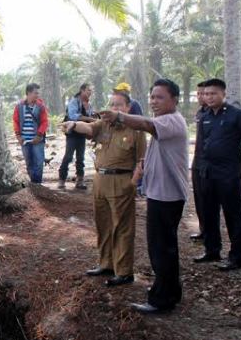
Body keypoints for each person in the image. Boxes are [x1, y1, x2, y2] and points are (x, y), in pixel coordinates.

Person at [100, 79, 188, 314]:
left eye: (160, 97)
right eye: (152, 97)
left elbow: (145, 124)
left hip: (167, 196)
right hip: (161, 194)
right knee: (165, 246)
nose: (154, 101)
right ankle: (171, 291)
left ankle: (162, 300)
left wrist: (118, 116)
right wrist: (140, 173)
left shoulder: (171, 121)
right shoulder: (164, 121)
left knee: (161, 248)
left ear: (174, 100)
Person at [61, 92, 146, 287]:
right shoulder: (104, 124)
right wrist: (73, 124)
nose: (114, 109)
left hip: (121, 179)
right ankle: (106, 263)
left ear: (128, 108)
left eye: (119, 105)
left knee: (123, 227)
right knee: (103, 223)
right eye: (112, 105)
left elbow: (142, 161)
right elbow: (88, 127)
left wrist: (132, 184)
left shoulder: (136, 129)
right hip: (100, 180)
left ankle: (124, 271)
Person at [193, 78, 241, 271]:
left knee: (233, 215)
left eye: (213, 93)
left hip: (229, 174)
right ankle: (212, 250)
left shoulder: (237, 115)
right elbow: (201, 145)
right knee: (208, 213)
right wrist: (199, 168)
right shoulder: (204, 115)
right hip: (207, 173)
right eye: (206, 94)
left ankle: (238, 256)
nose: (208, 97)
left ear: (223, 94)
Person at [58, 83, 95, 189]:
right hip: (72, 133)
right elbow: (73, 116)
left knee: (81, 157)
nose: (90, 93)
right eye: (88, 90)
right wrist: (89, 119)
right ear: (82, 90)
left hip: (82, 134)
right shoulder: (74, 102)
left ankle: (80, 180)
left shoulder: (88, 104)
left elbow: (90, 116)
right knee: (68, 156)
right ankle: (62, 179)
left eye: (91, 91)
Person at [13, 83, 49, 184]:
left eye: (38, 93)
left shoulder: (41, 106)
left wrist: (39, 135)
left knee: (38, 163)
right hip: (24, 140)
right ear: (28, 93)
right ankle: (34, 183)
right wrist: (18, 136)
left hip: (37, 140)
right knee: (29, 163)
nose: (37, 95)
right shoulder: (19, 106)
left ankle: (37, 184)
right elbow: (15, 121)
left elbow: (45, 122)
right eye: (35, 93)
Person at [190, 82, 208, 241]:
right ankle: (204, 231)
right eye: (199, 94)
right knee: (199, 199)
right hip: (197, 163)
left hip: (213, 166)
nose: (202, 97)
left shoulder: (221, 114)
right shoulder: (200, 113)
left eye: (205, 93)